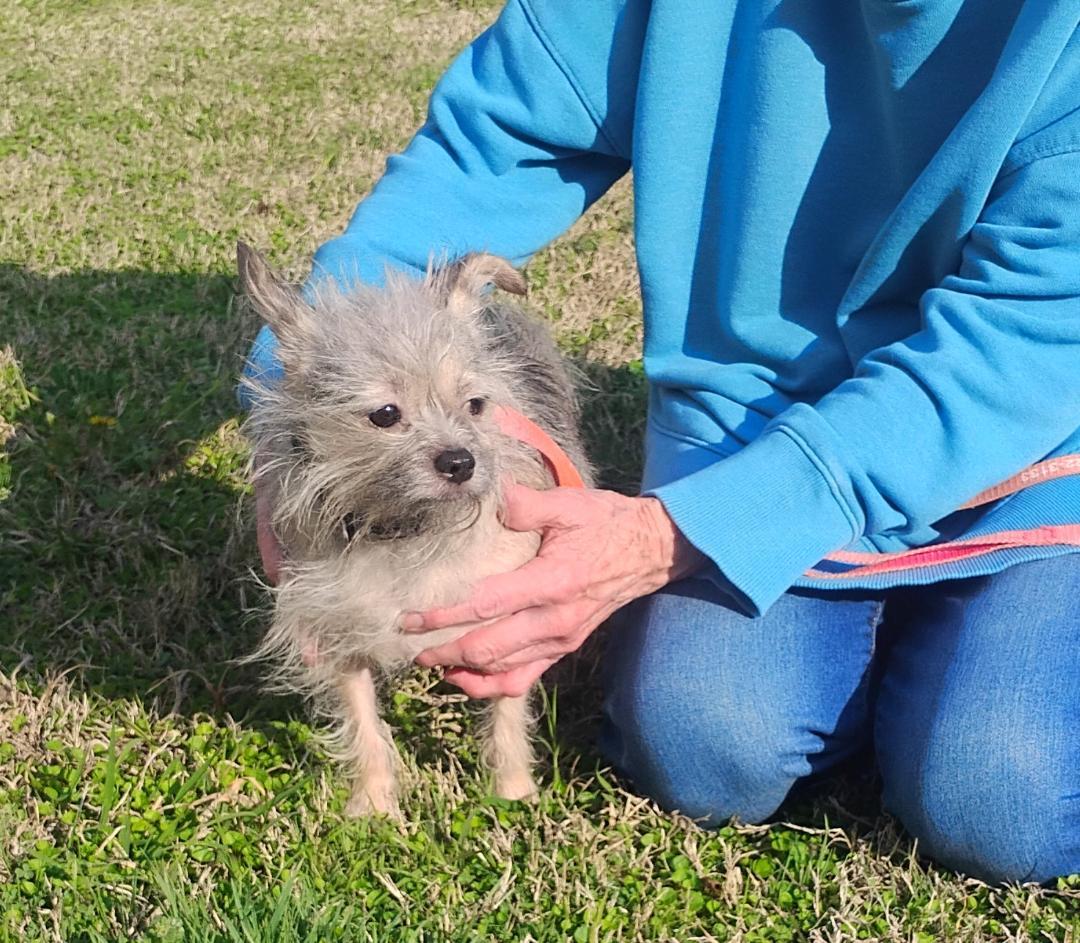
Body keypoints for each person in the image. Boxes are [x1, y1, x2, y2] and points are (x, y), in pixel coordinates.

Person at [243, 1, 1080, 884]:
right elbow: (485, 150)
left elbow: (1037, 333)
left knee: (1003, 796)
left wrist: (658, 540)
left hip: (1031, 444)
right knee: (705, 749)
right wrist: (295, 401)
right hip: (748, 425)